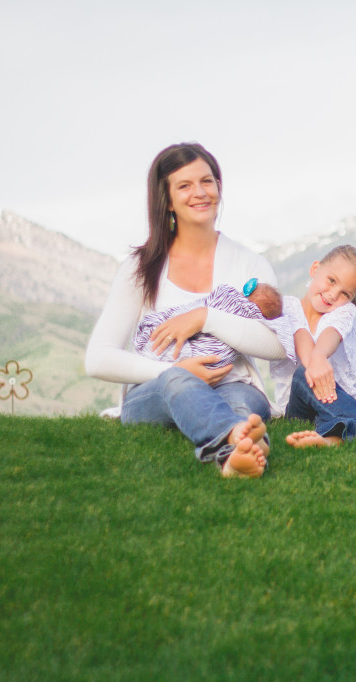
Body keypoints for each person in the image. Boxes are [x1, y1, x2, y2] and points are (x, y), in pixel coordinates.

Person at [85, 142, 285, 479]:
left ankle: (235, 453)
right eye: (185, 185)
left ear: (219, 186)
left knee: (240, 405)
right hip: (156, 389)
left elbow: (277, 345)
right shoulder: (141, 267)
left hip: (232, 383)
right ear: (167, 201)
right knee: (177, 381)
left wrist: (206, 317)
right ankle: (242, 439)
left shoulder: (248, 263)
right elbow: (98, 358)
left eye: (207, 181)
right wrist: (175, 371)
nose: (201, 192)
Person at [271, 244, 356, 448]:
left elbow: (331, 334)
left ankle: (330, 440)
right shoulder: (287, 307)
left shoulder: (345, 312)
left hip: (337, 402)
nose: (333, 295)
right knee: (303, 374)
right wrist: (315, 361)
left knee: (310, 370)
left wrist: (320, 356)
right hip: (298, 409)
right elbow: (301, 338)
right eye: (331, 281)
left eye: (345, 294)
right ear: (315, 269)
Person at [134, 279, 291, 370]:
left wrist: (205, 317)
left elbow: (282, 347)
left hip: (231, 382)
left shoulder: (234, 300)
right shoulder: (146, 262)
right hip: (160, 374)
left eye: (248, 289)